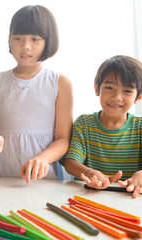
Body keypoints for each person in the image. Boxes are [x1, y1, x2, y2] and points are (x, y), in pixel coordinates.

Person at [0, 5, 73, 183]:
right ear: (9, 40)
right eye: (18, 38)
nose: (25, 46)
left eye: (35, 39)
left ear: (48, 41)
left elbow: (62, 139)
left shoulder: (60, 83)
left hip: (42, 175)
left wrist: (43, 159)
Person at [61, 55, 142, 198]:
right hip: (88, 196)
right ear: (97, 89)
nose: (117, 97)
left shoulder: (140, 127)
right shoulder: (84, 124)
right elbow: (71, 163)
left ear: (139, 97)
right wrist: (89, 173)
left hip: (129, 198)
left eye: (127, 91)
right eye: (109, 87)